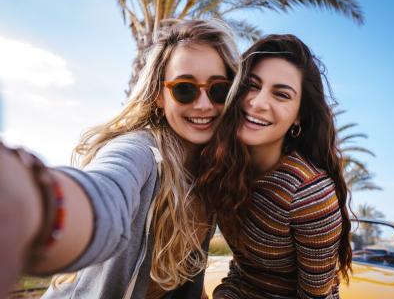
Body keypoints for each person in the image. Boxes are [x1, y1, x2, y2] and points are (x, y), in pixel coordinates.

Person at [0, 18, 240, 299]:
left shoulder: (211, 172)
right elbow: (104, 194)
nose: (203, 104)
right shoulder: (140, 152)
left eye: (219, 89)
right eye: (184, 88)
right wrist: (35, 205)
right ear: (159, 96)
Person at [197, 34, 352, 298]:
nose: (257, 103)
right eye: (251, 85)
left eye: (281, 94)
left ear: (298, 116)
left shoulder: (308, 194)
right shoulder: (219, 164)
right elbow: (242, 271)